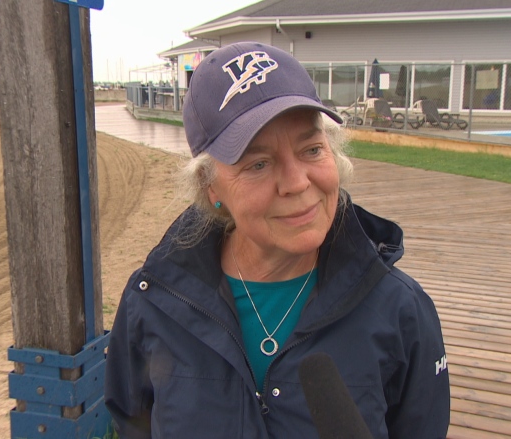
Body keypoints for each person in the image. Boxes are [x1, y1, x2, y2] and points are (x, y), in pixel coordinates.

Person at [104, 42, 450, 438]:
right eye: (258, 163)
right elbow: (133, 422)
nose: (297, 182)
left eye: (312, 149)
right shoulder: (153, 302)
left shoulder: (401, 308)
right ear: (209, 186)